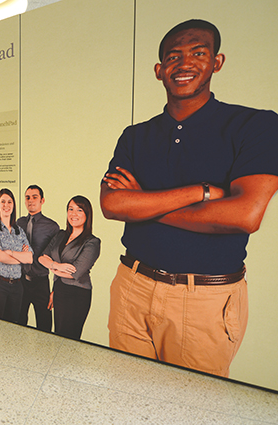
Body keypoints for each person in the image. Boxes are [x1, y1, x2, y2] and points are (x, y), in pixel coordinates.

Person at [100, 19, 278, 377]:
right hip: (132, 286)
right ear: (158, 70)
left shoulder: (255, 126)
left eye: (198, 53)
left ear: (217, 62)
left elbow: (245, 214)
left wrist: (143, 204)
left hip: (204, 300)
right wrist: (201, 193)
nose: (184, 63)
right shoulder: (135, 136)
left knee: (193, 409)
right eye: (173, 56)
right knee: (124, 397)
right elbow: (112, 205)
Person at [39, 196, 100, 340]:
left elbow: (75, 273)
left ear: (87, 214)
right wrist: (57, 266)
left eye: (79, 210)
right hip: (60, 290)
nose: (74, 214)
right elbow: (42, 257)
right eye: (70, 209)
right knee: (58, 333)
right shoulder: (60, 235)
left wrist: (51, 267)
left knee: (70, 338)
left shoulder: (92, 242)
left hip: (77, 294)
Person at [16, 185, 59, 332]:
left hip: (41, 283)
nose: (30, 201)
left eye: (35, 197)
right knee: (18, 322)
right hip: (21, 281)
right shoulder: (19, 223)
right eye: (27, 197)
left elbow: (57, 260)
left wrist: (55, 289)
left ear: (42, 200)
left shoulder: (52, 227)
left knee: (45, 325)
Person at [0, 188, 33, 323]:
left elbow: (30, 258)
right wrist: (20, 257)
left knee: (14, 324)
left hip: (17, 286)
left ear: (13, 205)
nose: (6, 205)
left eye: (9, 202)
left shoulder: (19, 230)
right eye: (3, 202)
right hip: (0, 284)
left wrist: (11, 254)